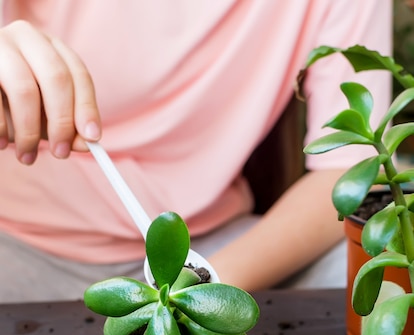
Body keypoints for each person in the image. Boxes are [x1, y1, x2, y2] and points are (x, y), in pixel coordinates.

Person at [0, 0, 392, 302]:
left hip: (215, 244)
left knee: (381, 272)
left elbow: (352, 170)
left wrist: (197, 291)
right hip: (17, 245)